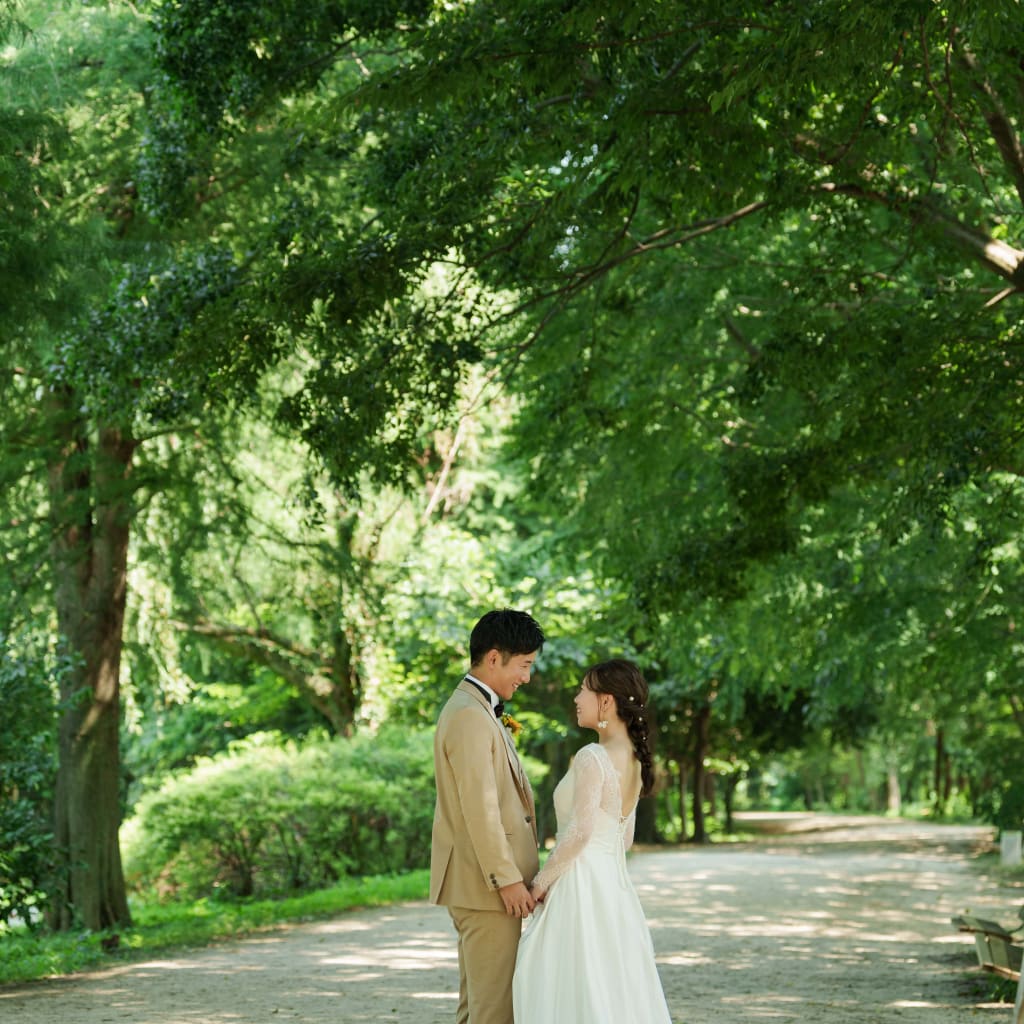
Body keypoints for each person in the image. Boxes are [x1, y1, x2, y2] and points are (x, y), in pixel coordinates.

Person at [512, 658, 672, 1024]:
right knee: (609, 985)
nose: (576, 697)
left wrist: (540, 884)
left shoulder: (592, 756)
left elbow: (579, 832)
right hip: (614, 886)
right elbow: (624, 838)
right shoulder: (634, 759)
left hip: (580, 885)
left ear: (607, 701)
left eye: (584, 689)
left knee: (562, 981)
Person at [430, 608, 546, 1024]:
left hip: (483, 887)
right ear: (494, 657)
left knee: (477, 1009)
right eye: (524, 665)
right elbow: (479, 807)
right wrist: (508, 879)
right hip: (487, 888)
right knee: (494, 1012)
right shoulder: (468, 716)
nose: (527, 677)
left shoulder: (477, 709)